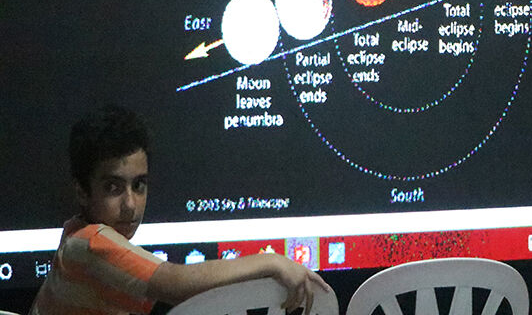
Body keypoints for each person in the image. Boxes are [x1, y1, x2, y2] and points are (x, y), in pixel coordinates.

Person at [29, 105, 333, 315]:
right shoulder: (91, 243)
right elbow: (175, 283)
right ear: (82, 192)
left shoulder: (76, 233)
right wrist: (271, 261)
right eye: (113, 187)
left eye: (139, 185)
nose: (130, 204)